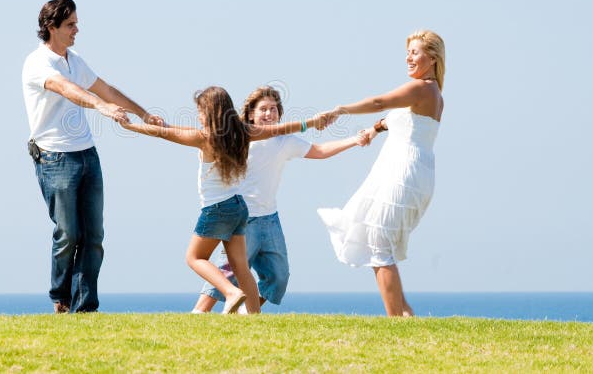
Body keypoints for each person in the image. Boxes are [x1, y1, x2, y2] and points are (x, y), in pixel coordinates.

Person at [120, 86, 333, 314]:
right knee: (241, 267)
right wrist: (310, 122)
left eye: (200, 111)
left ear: (209, 112)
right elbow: (279, 129)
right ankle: (253, 317)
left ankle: (230, 292)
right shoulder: (243, 132)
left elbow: (164, 135)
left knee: (194, 257)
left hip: (216, 209)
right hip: (239, 208)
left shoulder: (204, 138)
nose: (198, 116)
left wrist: (129, 125)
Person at [22, 0, 164, 313]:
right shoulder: (38, 63)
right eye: (70, 24)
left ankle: (85, 308)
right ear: (51, 27)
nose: (76, 29)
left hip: (87, 155)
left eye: (76, 23)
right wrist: (100, 107)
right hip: (55, 159)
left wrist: (142, 113)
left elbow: (105, 89)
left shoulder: (75, 61)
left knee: (94, 236)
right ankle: (61, 297)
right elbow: (65, 89)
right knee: (68, 234)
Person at [191, 85, 369, 314]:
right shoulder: (241, 136)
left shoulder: (285, 141)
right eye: (263, 109)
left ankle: (244, 315)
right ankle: (198, 314)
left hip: (270, 219)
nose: (269, 113)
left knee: (278, 278)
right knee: (229, 271)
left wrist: (354, 140)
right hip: (243, 218)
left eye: (274, 109)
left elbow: (320, 150)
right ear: (250, 114)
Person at [318, 30, 445, 317]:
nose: (408, 57)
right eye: (408, 52)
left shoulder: (422, 88)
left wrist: (340, 109)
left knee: (379, 246)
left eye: (415, 52)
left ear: (432, 58)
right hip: (407, 169)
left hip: (404, 171)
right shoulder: (427, 94)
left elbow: (380, 103)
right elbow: (392, 118)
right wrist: (374, 131)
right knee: (378, 241)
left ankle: (395, 322)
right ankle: (406, 315)